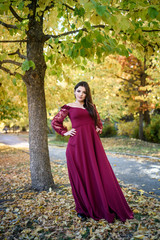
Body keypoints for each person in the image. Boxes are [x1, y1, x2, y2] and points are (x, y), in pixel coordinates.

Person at [51, 81, 134, 223]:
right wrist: (65, 132)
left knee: (100, 174)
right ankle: (82, 209)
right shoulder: (68, 107)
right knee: (80, 177)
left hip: (93, 146)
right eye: (78, 91)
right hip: (76, 147)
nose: (81, 94)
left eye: (84, 92)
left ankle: (103, 204)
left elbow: (98, 123)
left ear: (87, 94)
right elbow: (55, 122)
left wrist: (98, 128)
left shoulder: (91, 107)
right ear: (74, 91)